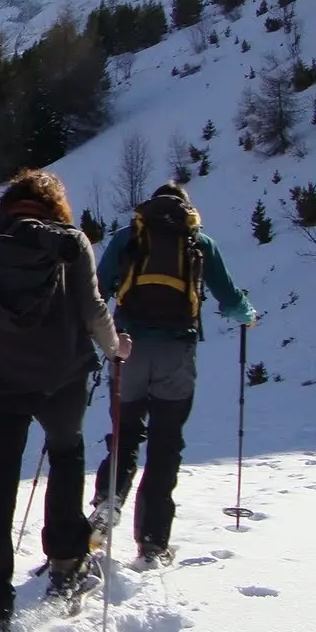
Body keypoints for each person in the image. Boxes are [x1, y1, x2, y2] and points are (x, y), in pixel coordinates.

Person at [0, 168, 131, 632]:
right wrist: (115, 348)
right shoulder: (70, 243)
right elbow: (92, 308)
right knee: (67, 456)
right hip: (59, 377)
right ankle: (67, 562)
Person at [88, 181, 255, 567]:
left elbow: (98, 288)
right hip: (176, 352)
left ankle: (108, 500)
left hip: (128, 348)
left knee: (126, 433)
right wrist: (247, 314)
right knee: (165, 444)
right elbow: (228, 297)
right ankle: (152, 542)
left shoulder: (129, 237)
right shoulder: (198, 242)